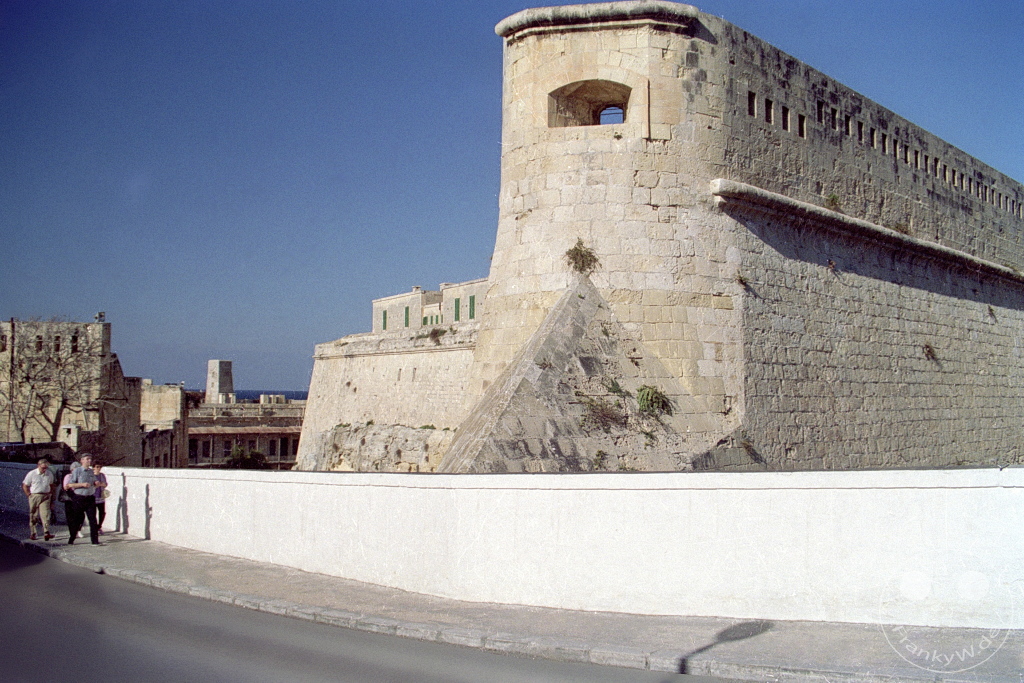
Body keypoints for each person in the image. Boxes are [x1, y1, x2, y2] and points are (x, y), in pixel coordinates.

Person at [66, 454, 106, 545]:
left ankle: (95, 541)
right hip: (79, 498)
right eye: (87, 459)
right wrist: (82, 484)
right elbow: (70, 484)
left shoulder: (91, 471)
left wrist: (96, 482)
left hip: (90, 498)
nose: (89, 461)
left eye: (90, 459)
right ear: (82, 460)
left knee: (93, 519)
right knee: (77, 519)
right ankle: (72, 538)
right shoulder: (77, 471)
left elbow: (94, 481)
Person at [21, 458, 56, 541]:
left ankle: (46, 532)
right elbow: (25, 485)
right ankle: (33, 533)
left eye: (46, 468)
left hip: (46, 496)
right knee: (34, 515)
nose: (44, 470)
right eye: (43, 468)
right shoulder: (32, 474)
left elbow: (51, 485)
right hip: (35, 495)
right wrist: (29, 495)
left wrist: (51, 495)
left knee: (46, 514)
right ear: (38, 466)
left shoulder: (49, 473)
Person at [62, 460, 83, 544]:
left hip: (79, 498)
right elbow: (66, 487)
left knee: (80, 516)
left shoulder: (81, 477)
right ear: (72, 470)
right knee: (70, 517)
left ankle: (77, 530)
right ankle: (72, 534)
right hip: (69, 499)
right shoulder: (68, 476)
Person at [92, 461, 108, 535]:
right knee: (93, 513)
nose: (99, 468)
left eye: (100, 467)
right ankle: (95, 528)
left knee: (102, 513)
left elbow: (105, 484)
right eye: (97, 467)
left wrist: (100, 484)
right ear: (94, 467)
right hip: (93, 496)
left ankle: (99, 526)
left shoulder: (102, 475)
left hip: (101, 497)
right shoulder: (91, 475)